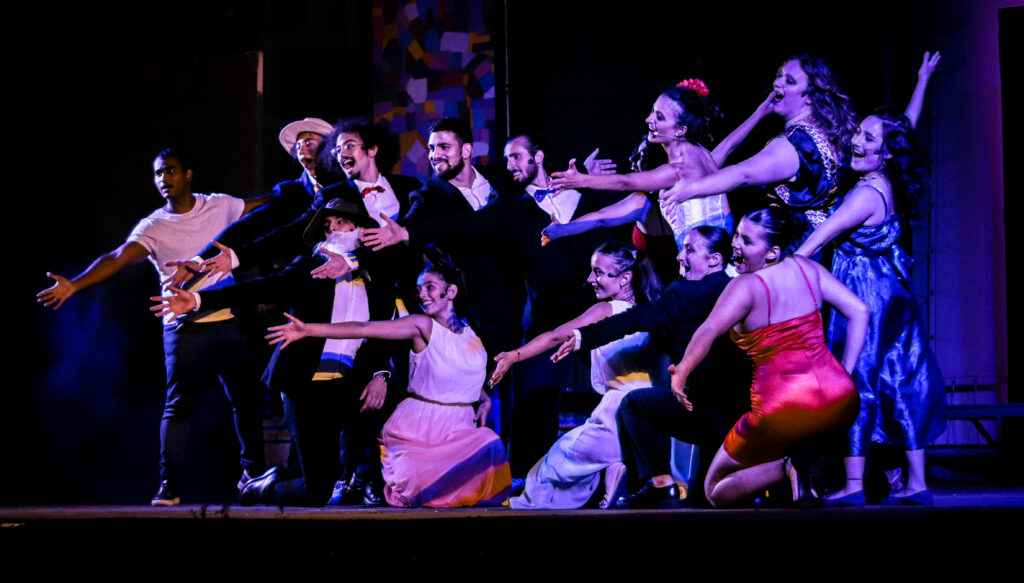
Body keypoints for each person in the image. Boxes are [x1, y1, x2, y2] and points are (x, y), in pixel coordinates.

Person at [362, 128, 633, 479]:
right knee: (534, 398)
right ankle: (528, 477)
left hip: (596, 306)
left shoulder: (578, 189)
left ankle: (635, 472)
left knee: (623, 382)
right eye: (506, 159)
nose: (509, 165)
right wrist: (406, 232)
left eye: (516, 156)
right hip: (548, 312)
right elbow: (463, 225)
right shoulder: (510, 205)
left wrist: (585, 176)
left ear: (538, 157)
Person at [37, 147, 269, 505]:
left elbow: (265, 206)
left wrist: (305, 190)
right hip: (183, 328)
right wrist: (75, 285)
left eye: (171, 171)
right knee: (178, 406)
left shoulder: (220, 206)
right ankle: (169, 485)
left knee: (246, 401)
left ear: (188, 174)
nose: (164, 179)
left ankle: (254, 474)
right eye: (159, 173)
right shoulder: (154, 225)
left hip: (229, 321)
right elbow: (118, 257)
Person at [152, 198, 400, 507]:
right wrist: (200, 300)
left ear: (360, 229)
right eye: (327, 225)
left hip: (348, 383)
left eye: (341, 222)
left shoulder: (377, 275)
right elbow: (262, 287)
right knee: (316, 492)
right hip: (307, 385)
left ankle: (356, 480)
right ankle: (264, 486)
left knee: (383, 402)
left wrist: (380, 374)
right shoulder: (311, 267)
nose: (333, 230)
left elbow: (383, 329)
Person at [263, 261, 511, 508]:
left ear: (452, 291)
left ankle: (361, 482)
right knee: (418, 487)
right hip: (422, 427)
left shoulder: (471, 333)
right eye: (419, 289)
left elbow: (459, 369)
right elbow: (365, 328)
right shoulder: (421, 325)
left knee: (490, 447)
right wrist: (309, 329)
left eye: (429, 287)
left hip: (459, 427)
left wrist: (483, 398)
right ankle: (291, 485)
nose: (422, 294)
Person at [669, 207, 868, 507]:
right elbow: (860, 311)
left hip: (783, 407)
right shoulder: (807, 268)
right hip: (841, 400)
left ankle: (787, 467)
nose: (735, 244)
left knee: (715, 490)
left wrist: (682, 371)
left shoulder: (745, 286)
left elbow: (709, 329)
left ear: (772, 252)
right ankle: (799, 468)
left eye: (747, 241)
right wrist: (845, 374)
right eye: (737, 235)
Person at [796, 110, 944, 507]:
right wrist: (921, 84)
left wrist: (783, 273)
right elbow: (904, 125)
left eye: (868, 138)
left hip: (864, 291)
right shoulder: (884, 183)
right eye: (858, 133)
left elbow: (818, 240)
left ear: (886, 153)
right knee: (900, 379)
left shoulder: (864, 194)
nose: (857, 142)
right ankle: (917, 481)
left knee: (857, 378)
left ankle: (853, 482)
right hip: (892, 291)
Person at [555, 227, 752, 508]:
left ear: (714, 260)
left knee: (635, 405)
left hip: (707, 411)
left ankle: (661, 484)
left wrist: (583, 336)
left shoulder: (685, 293)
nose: (679, 256)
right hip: (745, 409)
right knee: (705, 500)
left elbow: (635, 319)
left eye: (689, 250)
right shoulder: (739, 288)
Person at [487, 241, 661, 509]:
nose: (590, 279)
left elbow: (556, 335)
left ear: (625, 278)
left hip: (617, 412)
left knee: (546, 472)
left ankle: (612, 470)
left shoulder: (607, 311)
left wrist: (514, 355)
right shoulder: (654, 311)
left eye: (598, 272)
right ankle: (614, 470)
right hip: (652, 411)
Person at [546, 79, 768, 252]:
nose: (648, 119)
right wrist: (761, 111)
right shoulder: (703, 156)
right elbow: (728, 145)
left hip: (701, 269)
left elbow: (625, 182)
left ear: (680, 130)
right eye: (653, 111)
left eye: (659, 117)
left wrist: (582, 180)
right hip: (717, 261)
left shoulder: (677, 170)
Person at [660, 56, 857, 245]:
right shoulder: (821, 135)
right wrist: (759, 113)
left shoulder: (798, 143)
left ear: (810, 97)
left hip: (797, 249)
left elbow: (744, 174)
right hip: (819, 248)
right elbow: (721, 156)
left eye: (789, 81)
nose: (777, 83)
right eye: (779, 76)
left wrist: (691, 189)